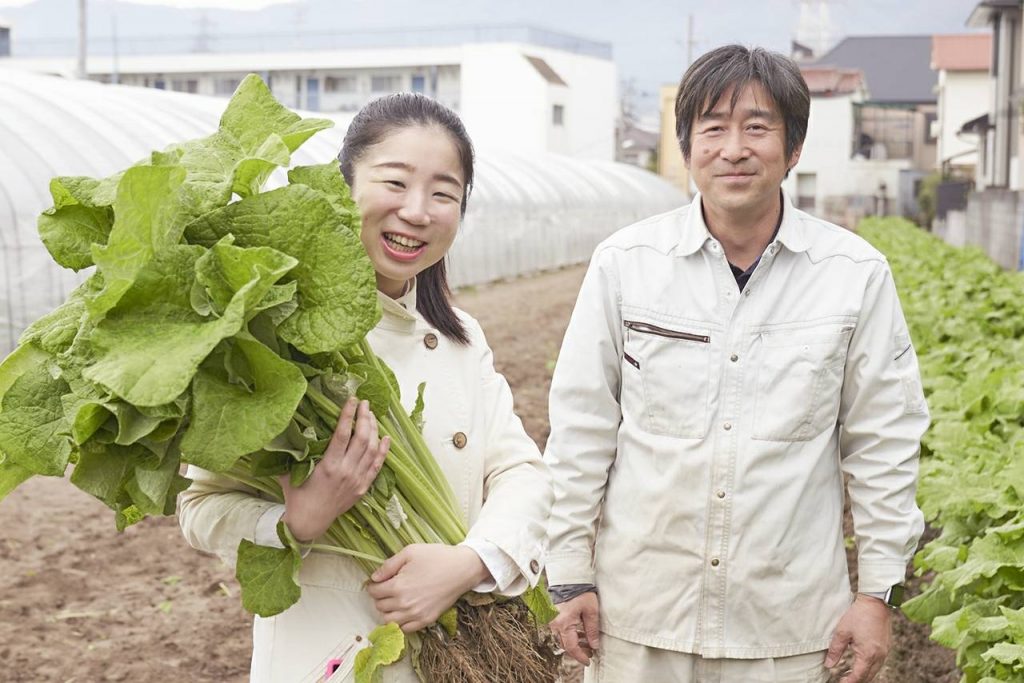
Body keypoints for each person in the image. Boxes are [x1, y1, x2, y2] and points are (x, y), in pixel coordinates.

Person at [544, 44, 929, 683]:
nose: (734, 147)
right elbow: (580, 428)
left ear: (794, 147)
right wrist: (568, 575)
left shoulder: (853, 276)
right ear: (688, 145)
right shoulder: (626, 264)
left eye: (758, 126)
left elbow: (883, 443)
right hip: (641, 619)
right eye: (714, 127)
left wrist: (876, 593)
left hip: (788, 628)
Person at [178, 93, 551, 682]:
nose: (418, 212)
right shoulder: (271, 337)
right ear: (342, 186)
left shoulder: (458, 337)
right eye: (395, 183)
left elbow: (520, 473)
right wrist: (298, 519)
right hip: (328, 654)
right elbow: (199, 507)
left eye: (444, 193)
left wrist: (467, 563)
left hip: (465, 645)